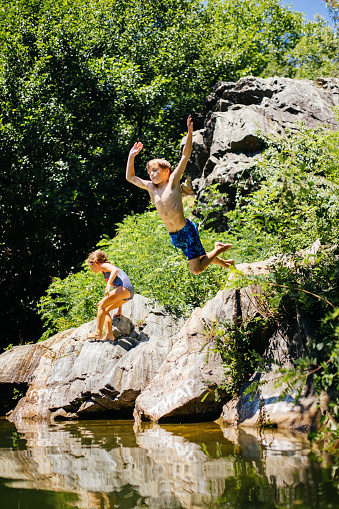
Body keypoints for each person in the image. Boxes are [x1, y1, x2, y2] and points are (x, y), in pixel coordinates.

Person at [126, 115, 234, 275]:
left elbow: (185, 155)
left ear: (166, 171)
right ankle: (228, 264)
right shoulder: (151, 188)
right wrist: (131, 156)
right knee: (200, 255)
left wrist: (190, 132)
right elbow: (130, 177)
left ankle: (218, 249)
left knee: (196, 269)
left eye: (155, 170)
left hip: (186, 230)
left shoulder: (173, 182)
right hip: (174, 236)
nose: (151, 174)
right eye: (149, 172)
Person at [86, 250, 134, 341]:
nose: (91, 269)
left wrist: (108, 284)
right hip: (128, 292)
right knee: (106, 309)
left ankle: (98, 333)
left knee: (100, 305)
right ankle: (109, 335)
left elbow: (115, 270)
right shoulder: (104, 271)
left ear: (96, 262)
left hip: (124, 288)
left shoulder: (103, 265)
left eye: (91, 266)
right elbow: (116, 292)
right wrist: (119, 309)